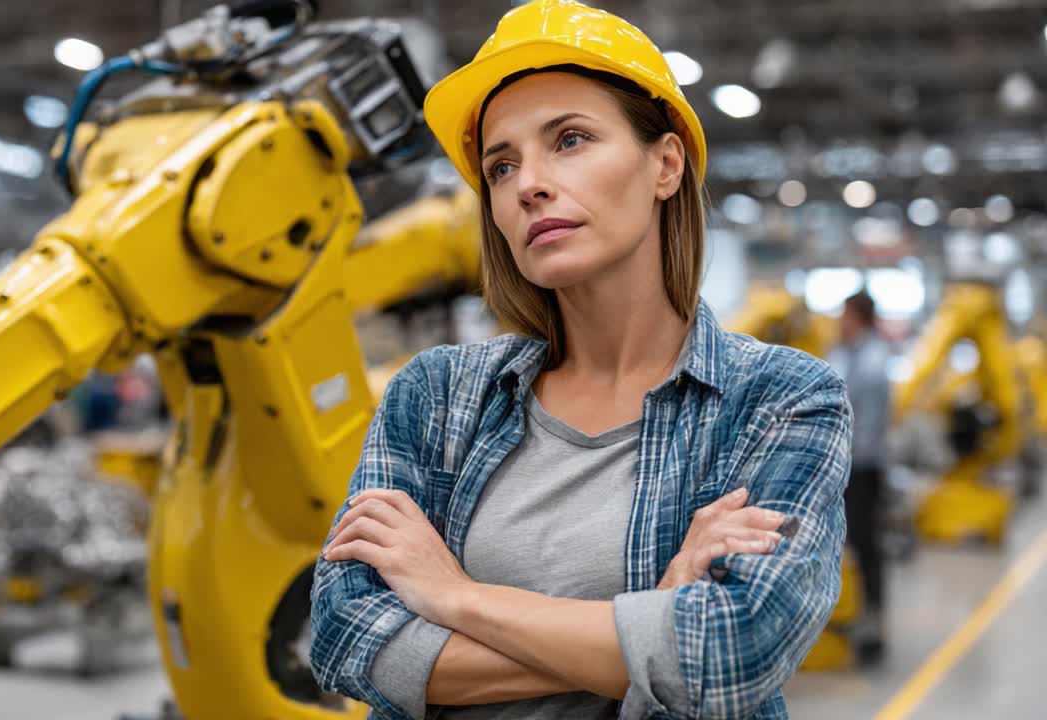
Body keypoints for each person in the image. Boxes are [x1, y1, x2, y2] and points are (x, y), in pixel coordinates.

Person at [309, 2, 853, 718]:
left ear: (664, 164)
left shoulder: (779, 399)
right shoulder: (434, 396)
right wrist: (650, 619)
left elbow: (732, 651)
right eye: (501, 166)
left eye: (569, 139)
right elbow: (346, 638)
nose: (528, 182)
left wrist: (453, 596)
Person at [827, 289, 893, 664]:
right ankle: (851, 611)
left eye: (844, 315)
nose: (839, 321)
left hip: (863, 467)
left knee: (866, 542)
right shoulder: (848, 354)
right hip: (853, 465)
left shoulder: (871, 363)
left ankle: (872, 616)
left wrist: (841, 467)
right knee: (852, 541)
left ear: (858, 317)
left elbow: (863, 428)